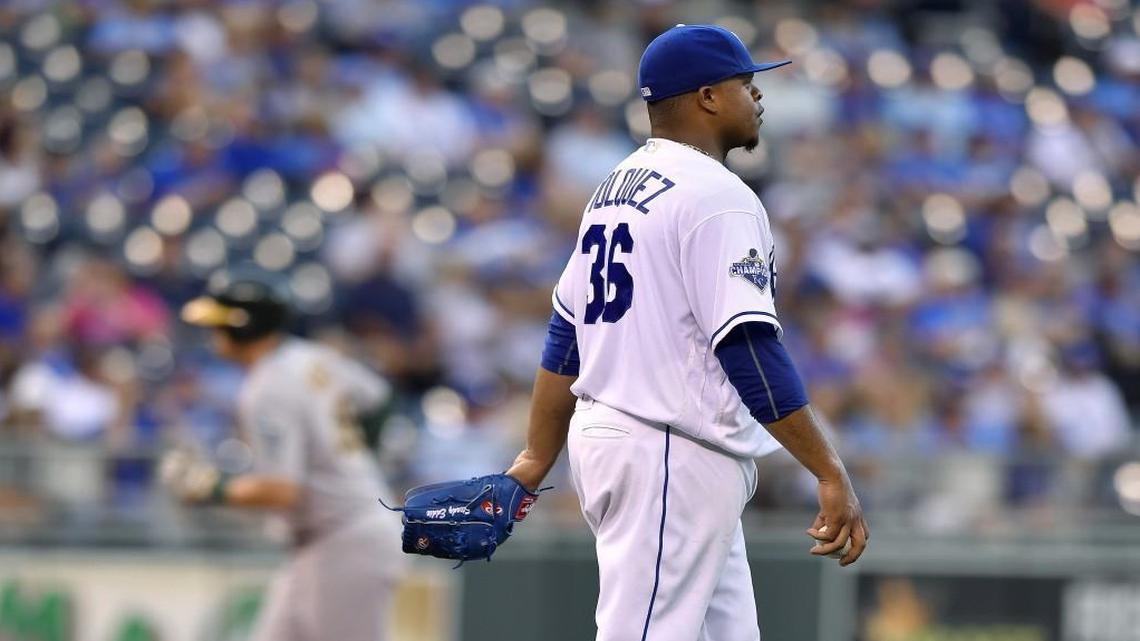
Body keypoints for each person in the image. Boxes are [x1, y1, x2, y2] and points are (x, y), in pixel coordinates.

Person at [505, 25, 869, 641]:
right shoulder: (716, 195)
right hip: (666, 447)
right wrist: (829, 470)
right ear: (705, 97)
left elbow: (567, 332)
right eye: (745, 85)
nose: (758, 98)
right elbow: (748, 348)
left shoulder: (615, 188)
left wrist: (538, 455)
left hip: (632, 439)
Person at [164, 266, 403, 641]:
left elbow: (283, 491)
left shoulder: (267, 388)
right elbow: (379, 400)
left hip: (345, 537)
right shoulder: (309, 357)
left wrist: (210, 487)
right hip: (330, 537)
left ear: (243, 326)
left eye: (219, 323)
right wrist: (350, 461)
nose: (212, 333)